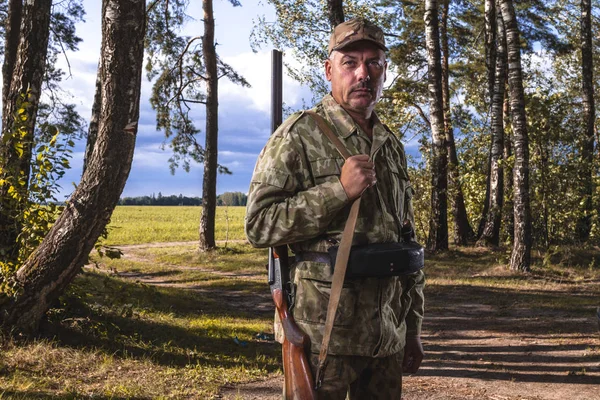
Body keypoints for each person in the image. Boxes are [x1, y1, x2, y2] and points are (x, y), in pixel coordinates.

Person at [245, 17, 425, 399]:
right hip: (324, 338)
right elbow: (260, 225)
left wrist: (412, 328)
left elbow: (406, 242)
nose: (363, 73)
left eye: (374, 62)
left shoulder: (389, 145)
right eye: (350, 63)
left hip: (385, 336)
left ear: (385, 71)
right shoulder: (299, 136)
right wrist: (339, 191)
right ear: (329, 71)